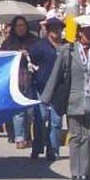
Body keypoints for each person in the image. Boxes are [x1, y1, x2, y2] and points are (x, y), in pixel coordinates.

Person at [41, 13, 90, 180]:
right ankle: (77, 172)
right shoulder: (67, 51)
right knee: (76, 137)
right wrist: (46, 98)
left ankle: (86, 168)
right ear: (78, 32)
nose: (89, 34)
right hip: (73, 100)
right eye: (85, 31)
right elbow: (55, 75)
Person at [28, 14, 66, 160]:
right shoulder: (39, 46)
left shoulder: (66, 46)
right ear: (48, 30)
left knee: (56, 122)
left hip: (59, 89)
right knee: (41, 118)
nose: (56, 31)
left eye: (58, 29)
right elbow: (31, 60)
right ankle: (37, 147)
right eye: (53, 29)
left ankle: (53, 150)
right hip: (42, 87)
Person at [0, 15, 39, 150]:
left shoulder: (33, 41)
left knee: (29, 111)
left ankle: (27, 136)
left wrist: (29, 54)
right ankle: (19, 138)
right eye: (18, 26)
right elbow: (3, 60)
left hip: (30, 80)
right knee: (18, 111)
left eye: (23, 25)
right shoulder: (8, 43)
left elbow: (39, 56)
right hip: (15, 80)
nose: (21, 28)